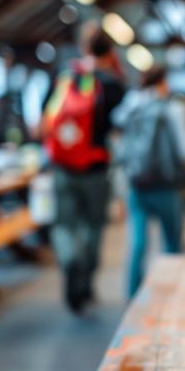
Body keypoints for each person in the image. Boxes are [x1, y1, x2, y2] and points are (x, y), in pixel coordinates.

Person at [44, 28, 125, 313]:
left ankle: (69, 259)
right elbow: (121, 127)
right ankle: (86, 279)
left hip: (63, 168)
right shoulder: (113, 84)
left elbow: (45, 116)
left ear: (83, 48)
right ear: (109, 51)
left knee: (64, 224)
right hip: (96, 167)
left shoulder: (64, 77)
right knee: (93, 225)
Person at [112, 66, 185, 297]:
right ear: (163, 82)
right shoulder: (173, 108)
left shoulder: (132, 104)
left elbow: (116, 124)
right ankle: (172, 294)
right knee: (172, 244)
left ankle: (132, 296)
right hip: (166, 185)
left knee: (137, 244)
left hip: (136, 183)